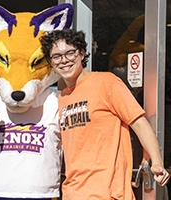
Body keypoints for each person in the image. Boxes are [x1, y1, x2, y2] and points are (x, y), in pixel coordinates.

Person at [40, 29, 170, 199]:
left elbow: (139, 122)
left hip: (109, 192)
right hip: (73, 192)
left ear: (81, 54)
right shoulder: (62, 97)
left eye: (70, 53)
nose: (64, 60)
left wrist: (157, 161)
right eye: (56, 56)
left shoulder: (106, 83)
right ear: (51, 62)